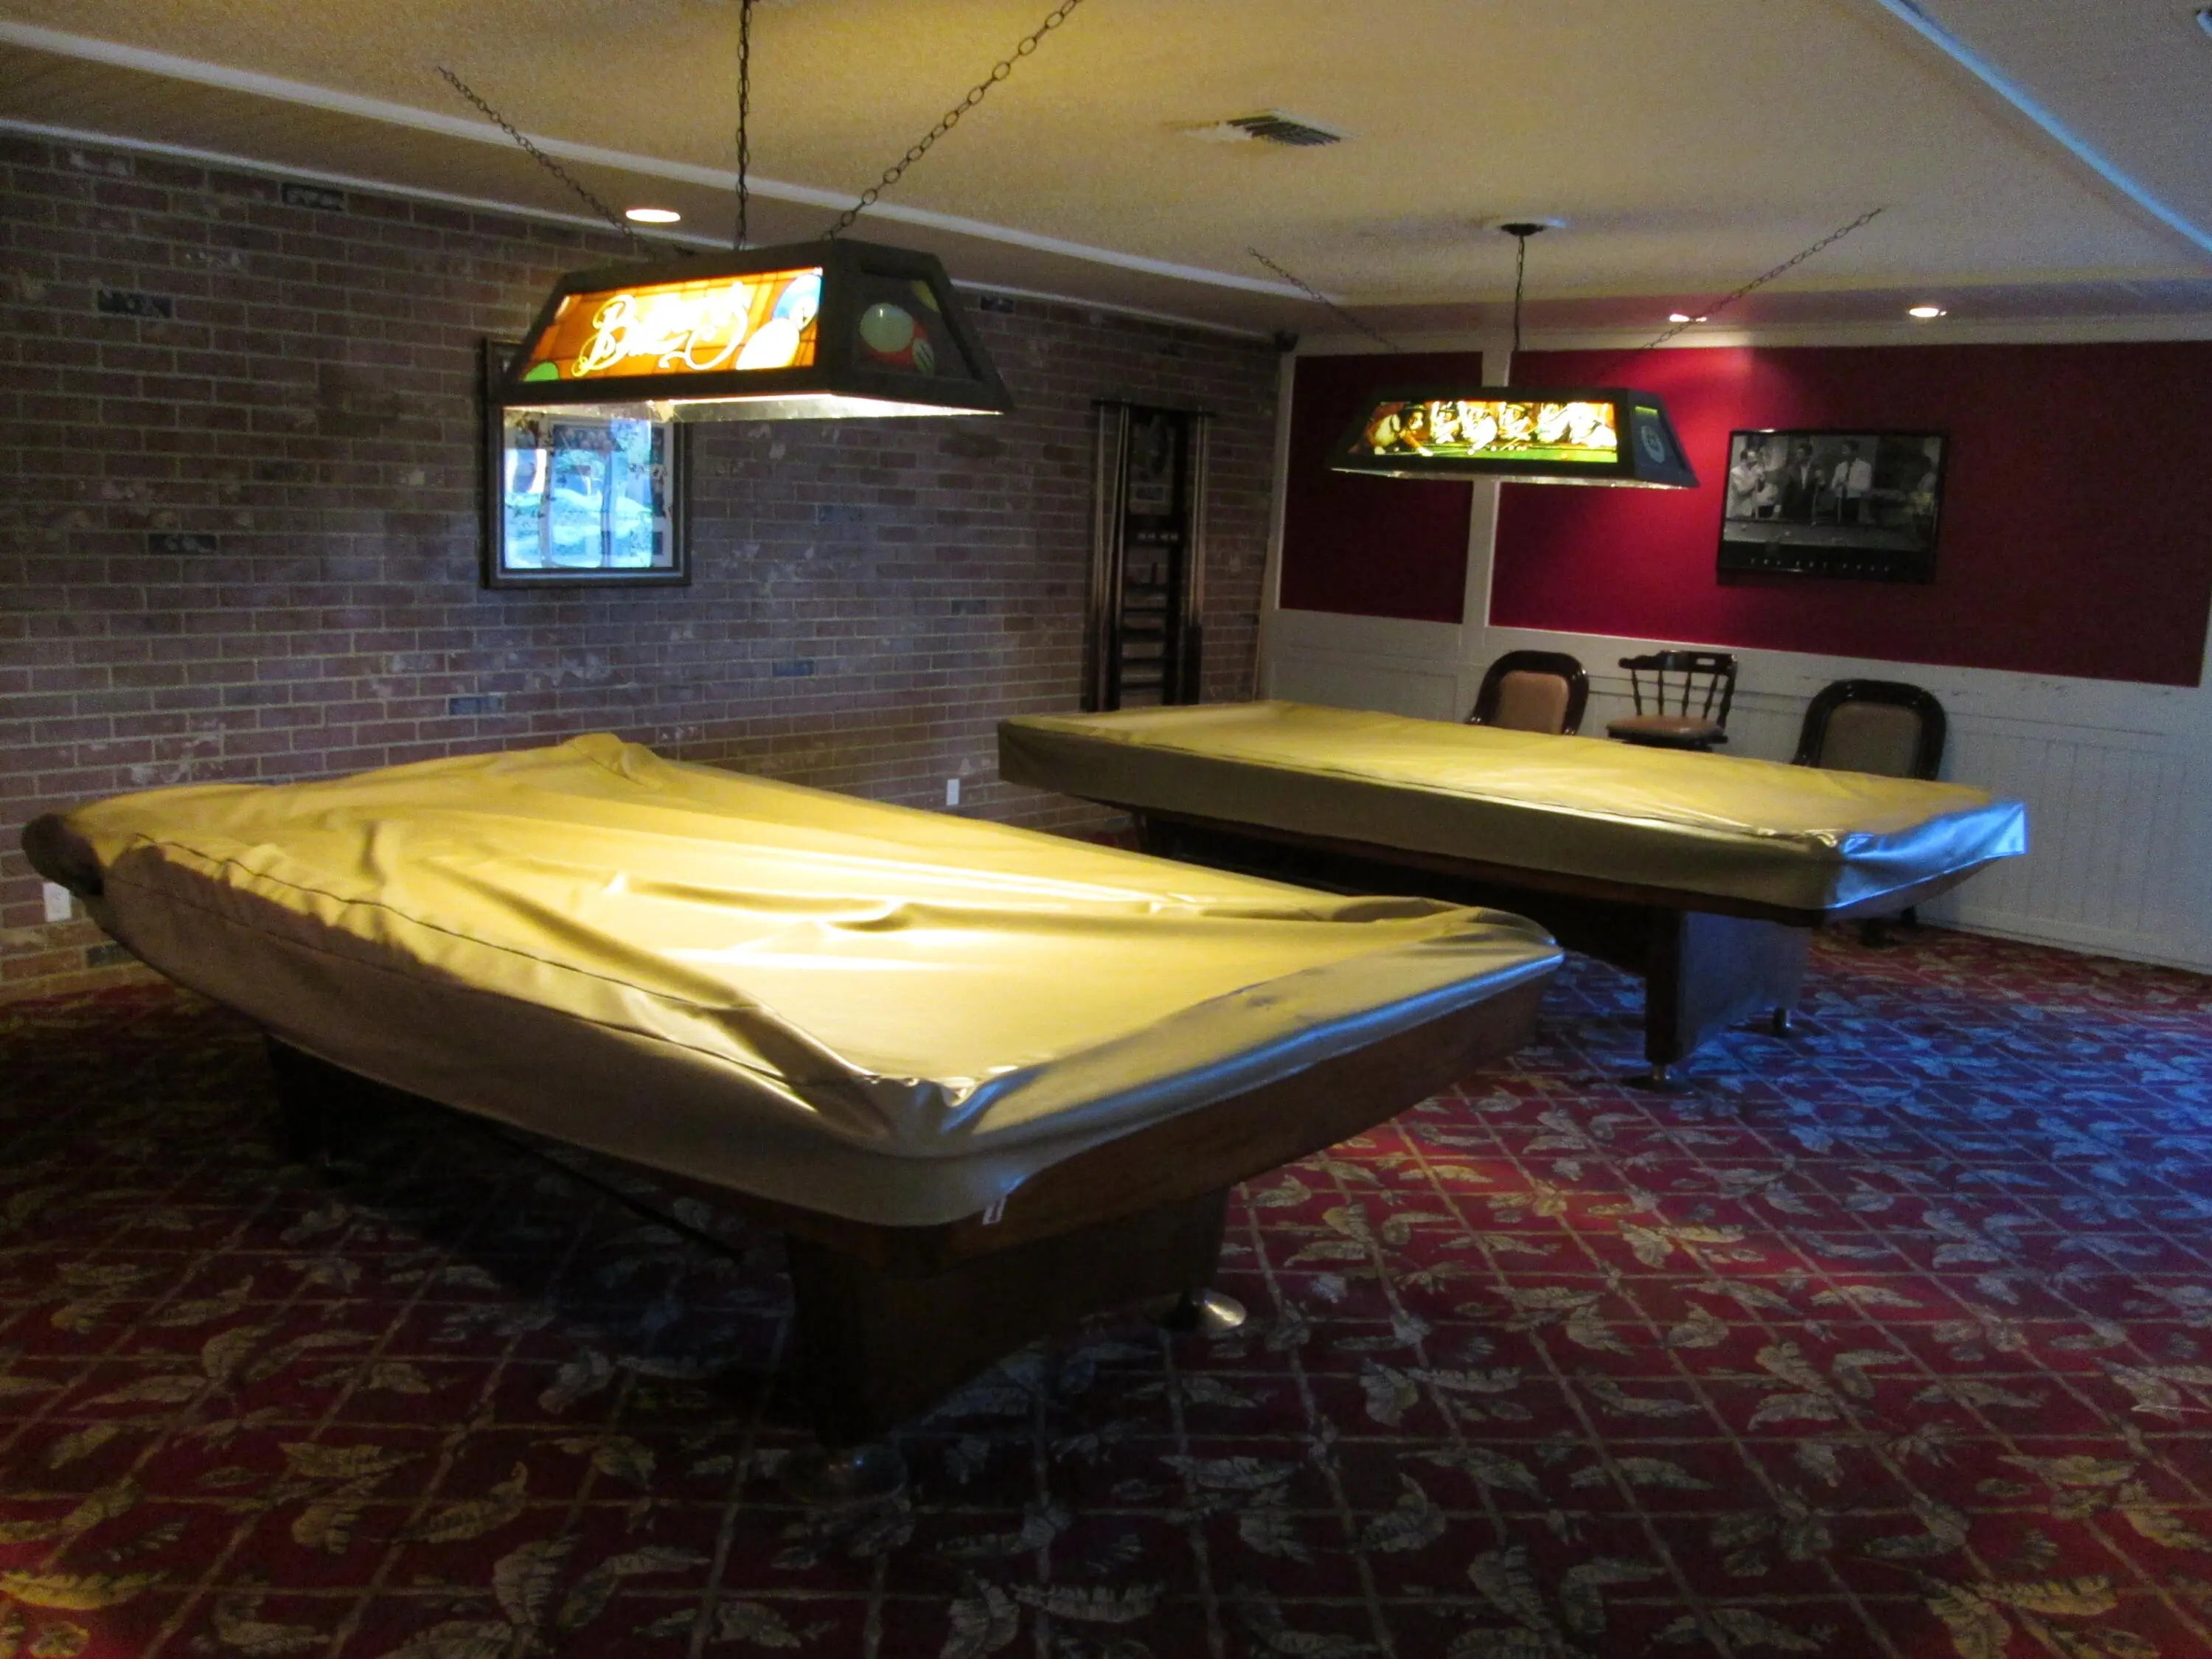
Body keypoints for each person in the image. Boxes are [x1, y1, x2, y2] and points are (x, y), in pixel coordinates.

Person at [1829, 441, 1875, 524]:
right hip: (1839, 501)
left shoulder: (1865, 467)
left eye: (1846, 450)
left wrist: (1847, 484)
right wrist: (1836, 486)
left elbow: (1865, 486)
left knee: (1850, 525)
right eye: (1842, 450)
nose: (1843, 453)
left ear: (1854, 452)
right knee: (1837, 525)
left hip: (1854, 501)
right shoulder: (1840, 466)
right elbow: (1833, 485)